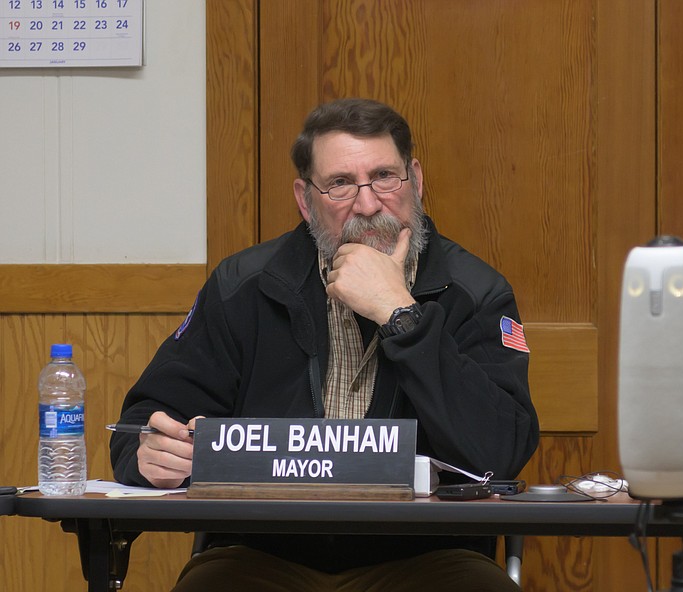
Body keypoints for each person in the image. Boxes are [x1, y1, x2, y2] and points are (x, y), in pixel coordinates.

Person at [110, 98, 540, 592]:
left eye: (384, 176)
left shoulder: (476, 292)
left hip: (429, 556)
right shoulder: (243, 285)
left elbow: (501, 452)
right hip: (262, 555)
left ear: (415, 181)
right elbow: (140, 423)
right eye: (340, 184)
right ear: (304, 198)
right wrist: (149, 453)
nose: (367, 204)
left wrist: (401, 315)